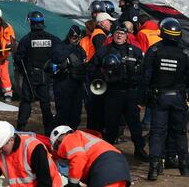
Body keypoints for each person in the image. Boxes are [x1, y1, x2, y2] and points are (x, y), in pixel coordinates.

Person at [139, 17, 189, 180]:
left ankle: (154, 169)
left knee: (158, 133)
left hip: (159, 98)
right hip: (179, 98)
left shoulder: (154, 51)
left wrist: (143, 99)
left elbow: (145, 77)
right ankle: (184, 167)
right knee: (180, 133)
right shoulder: (185, 53)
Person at [89, 26, 149, 162]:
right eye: (117, 33)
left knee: (134, 124)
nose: (119, 36)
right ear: (113, 35)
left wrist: (141, 97)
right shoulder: (105, 50)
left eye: (122, 33)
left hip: (131, 93)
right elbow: (92, 67)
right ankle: (108, 151)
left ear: (127, 35)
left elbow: (144, 74)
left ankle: (139, 149)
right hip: (112, 92)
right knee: (111, 123)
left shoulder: (136, 51)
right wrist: (103, 74)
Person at [14, 11, 61, 136]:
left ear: (30, 23)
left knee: (26, 102)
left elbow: (18, 59)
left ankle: (20, 128)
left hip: (30, 76)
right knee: (45, 105)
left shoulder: (26, 40)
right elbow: (60, 53)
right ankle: (49, 131)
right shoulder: (52, 39)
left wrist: (22, 71)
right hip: (46, 76)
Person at [0, 121, 62, 187]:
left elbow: (45, 183)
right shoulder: (0, 152)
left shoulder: (34, 148)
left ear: (11, 140)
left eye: (1, 147)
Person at [50, 126, 131, 187]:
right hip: (120, 169)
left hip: (105, 169)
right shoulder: (83, 137)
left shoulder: (69, 139)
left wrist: (72, 184)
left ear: (58, 142)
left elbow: (78, 157)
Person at [52, 25, 87, 130]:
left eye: (76, 37)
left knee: (76, 113)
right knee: (63, 112)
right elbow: (58, 57)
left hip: (77, 84)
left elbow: (84, 62)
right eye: (73, 37)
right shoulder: (60, 46)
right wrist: (71, 47)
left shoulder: (80, 49)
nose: (75, 39)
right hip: (63, 83)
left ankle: (72, 133)